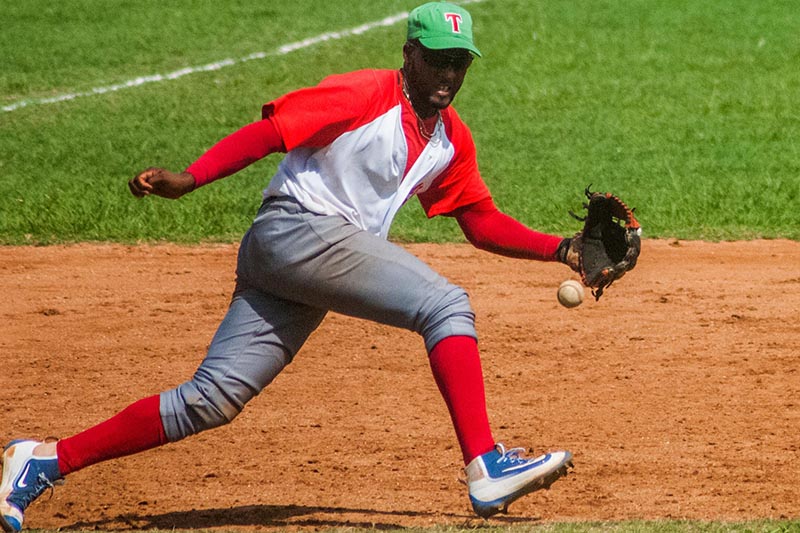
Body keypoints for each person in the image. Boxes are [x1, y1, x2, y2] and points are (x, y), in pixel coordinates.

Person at [0, 3, 576, 530]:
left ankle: (44, 460)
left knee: (212, 398)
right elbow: (272, 133)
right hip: (294, 231)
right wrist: (193, 177)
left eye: (459, 63)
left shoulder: (449, 140)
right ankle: (485, 465)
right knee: (444, 304)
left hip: (304, 264)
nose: (448, 74)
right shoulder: (364, 94)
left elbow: (480, 221)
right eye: (436, 60)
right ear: (409, 56)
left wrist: (564, 249)